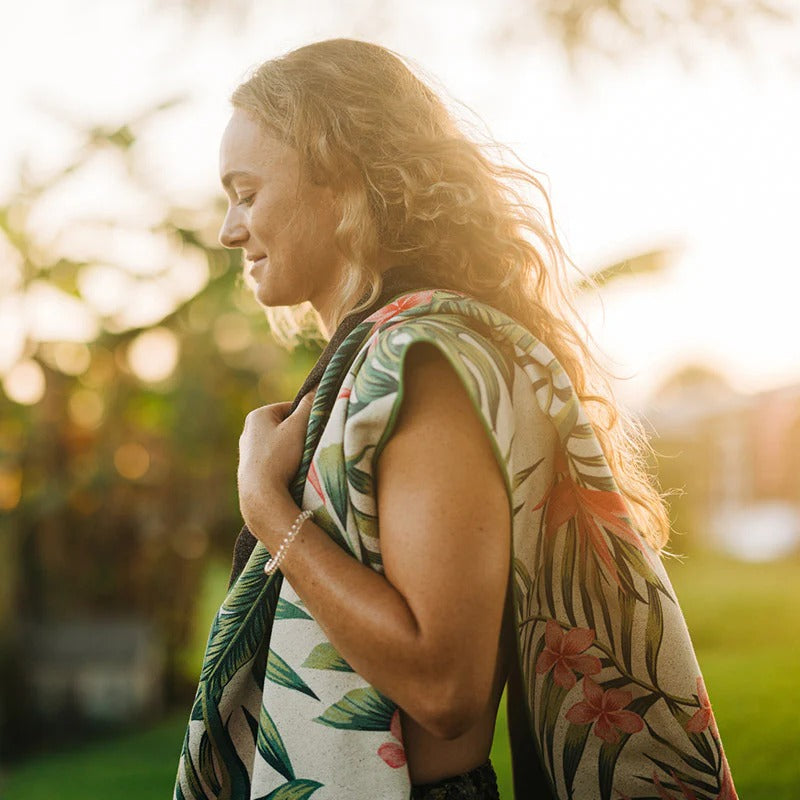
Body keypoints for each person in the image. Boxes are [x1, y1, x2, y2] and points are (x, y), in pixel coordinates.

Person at [174, 38, 737, 800]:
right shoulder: (385, 355)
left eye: (246, 192)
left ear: (338, 178)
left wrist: (266, 507)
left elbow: (444, 689)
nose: (230, 230)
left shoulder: (422, 364)